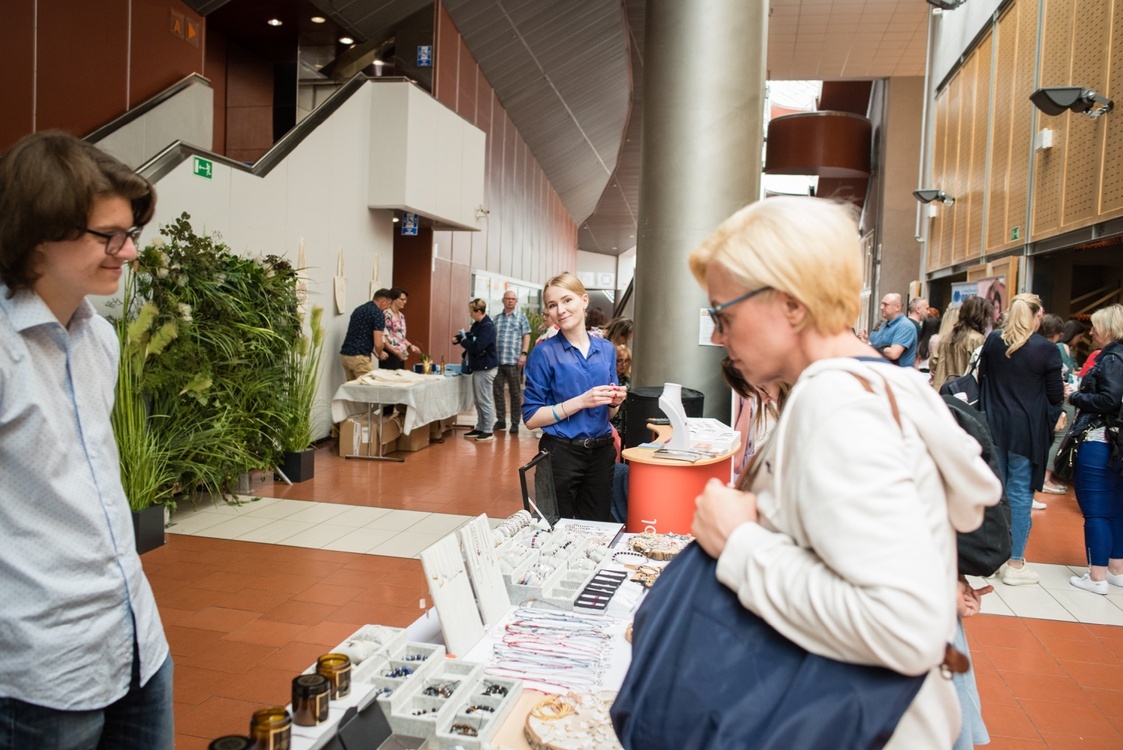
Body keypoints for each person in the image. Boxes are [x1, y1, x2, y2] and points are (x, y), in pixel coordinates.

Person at [688, 197, 1000, 749]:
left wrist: (738, 543)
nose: (718, 336)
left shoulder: (837, 404)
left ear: (791, 304)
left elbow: (900, 624)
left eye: (723, 315)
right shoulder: (871, 384)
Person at [0, 131, 174, 747]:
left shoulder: (98, 338)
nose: (128, 252)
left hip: (135, 641)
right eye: (110, 236)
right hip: (41, 669)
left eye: (131, 233)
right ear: (39, 234)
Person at [523, 273, 626, 520]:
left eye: (567, 300)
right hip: (560, 454)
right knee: (554, 531)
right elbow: (531, 418)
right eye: (552, 305)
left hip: (601, 454)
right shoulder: (544, 353)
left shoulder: (606, 350)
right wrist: (581, 401)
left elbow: (609, 413)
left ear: (584, 300)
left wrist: (615, 402)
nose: (560, 310)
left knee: (596, 529)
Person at [978, 293, 1064, 585]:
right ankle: (1015, 564)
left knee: (994, 492)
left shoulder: (994, 341)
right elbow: (1055, 395)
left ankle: (991, 558)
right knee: (1020, 494)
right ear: (1038, 315)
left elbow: (982, 378)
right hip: (1027, 431)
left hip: (993, 426)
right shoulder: (1046, 349)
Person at [1066, 305, 1123, 594]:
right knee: (1116, 510)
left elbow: (1108, 400)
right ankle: (1116, 569)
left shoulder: (1111, 359)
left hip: (1101, 441)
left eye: (1096, 326)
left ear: (1110, 328)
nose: (1091, 332)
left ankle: (1097, 576)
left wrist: (1076, 396)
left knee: (1097, 511)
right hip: (1118, 445)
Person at [1042, 318, 1085, 495]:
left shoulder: (1058, 348)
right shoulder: (1059, 348)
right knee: (1060, 437)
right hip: (1064, 397)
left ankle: (1046, 476)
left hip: (1063, 395)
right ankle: (1045, 477)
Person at [455, 298, 498, 441]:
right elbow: (471, 336)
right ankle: (480, 427)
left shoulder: (487, 326)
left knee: (484, 399)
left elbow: (478, 346)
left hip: (485, 368)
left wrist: (463, 342)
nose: (470, 315)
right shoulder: (478, 324)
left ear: (479, 311)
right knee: (478, 400)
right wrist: (460, 337)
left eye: (472, 312)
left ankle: (488, 430)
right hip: (478, 367)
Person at [931, 295, 990, 391]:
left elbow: (933, 363)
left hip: (942, 391)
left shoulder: (946, 337)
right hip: (964, 394)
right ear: (981, 316)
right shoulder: (978, 340)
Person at [492, 289, 530, 435]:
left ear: (516, 302)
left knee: (515, 393)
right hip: (498, 361)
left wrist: (524, 354)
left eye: (513, 299)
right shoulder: (496, 319)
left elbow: (526, 336)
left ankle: (515, 422)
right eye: (508, 298)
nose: (510, 301)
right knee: (497, 391)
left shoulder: (521, 317)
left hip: (514, 361)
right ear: (503, 300)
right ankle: (501, 420)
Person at [340, 288, 394, 380]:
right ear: (384, 301)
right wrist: (380, 353)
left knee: (352, 387)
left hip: (346, 355)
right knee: (368, 386)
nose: (388, 307)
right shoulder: (377, 314)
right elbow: (378, 342)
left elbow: (360, 334)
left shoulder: (359, 309)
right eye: (389, 304)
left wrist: (374, 350)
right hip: (360, 358)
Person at [863, 292, 918, 366]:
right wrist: (867, 343)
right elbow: (876, 347)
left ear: (897, 307)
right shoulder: (885, 325)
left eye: (886, 304)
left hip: (897, 372)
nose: (881, 307)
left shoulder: (905, 326)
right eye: (882, 304)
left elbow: (893, 354)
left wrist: (878, 348)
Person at [382, 286, 421, 371]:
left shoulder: (401, 315)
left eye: (405, 300)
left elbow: (400, 336)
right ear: (394, 299)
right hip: (391, 352)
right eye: (402, 299)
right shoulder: (387, 314)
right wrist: (395, 352)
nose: (405, 302)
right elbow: (384, 337)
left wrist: (410, 346)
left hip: (401, 352)